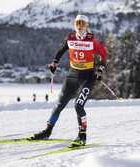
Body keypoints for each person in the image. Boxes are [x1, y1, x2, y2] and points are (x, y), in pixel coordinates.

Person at [29, 14, 108, 147]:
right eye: (77, 23)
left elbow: (103, 54)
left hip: (88, 77)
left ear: (87, 26)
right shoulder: (70, 37)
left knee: (78, 105)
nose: (79, 26)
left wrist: (100, 69)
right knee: (59, 104)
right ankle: (47, 131)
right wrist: (54, 63)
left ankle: (82, 136)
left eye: (82, 23)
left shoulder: (91, 40)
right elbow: (61, 50)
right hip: (73, 75)